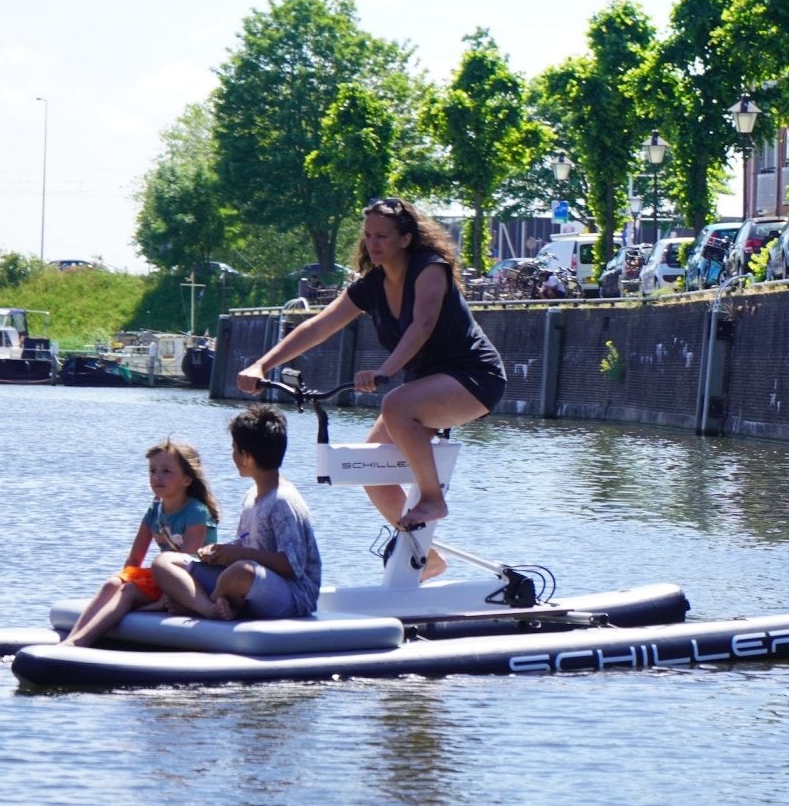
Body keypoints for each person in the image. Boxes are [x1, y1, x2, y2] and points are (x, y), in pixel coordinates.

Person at [236, 197, 506, 535]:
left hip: (474, 377)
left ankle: (433, 499)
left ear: (405, 239)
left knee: (395, 405)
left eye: (382, 236)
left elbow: (422, 324)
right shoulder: (371, 286)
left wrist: (384, 371)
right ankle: (424, 554)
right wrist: (262, 365)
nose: (372, 244)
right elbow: (318, 326)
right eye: (368, 235)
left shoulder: (429, 268)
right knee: (370, 469)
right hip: (426, 385)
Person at [153, 405, 321, 620]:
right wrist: (221, 551)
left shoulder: (283, 501)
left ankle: (201, 606)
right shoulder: (252, 494)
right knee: (165, 562)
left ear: (246, 457)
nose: (232, 455)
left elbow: (291, 564)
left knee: (241, 572)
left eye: (234, 449)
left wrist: (240, 555)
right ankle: (211, 607)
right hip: (248, 580)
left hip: (293, 595)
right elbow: (246, 543)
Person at [60, 441, 220, 647]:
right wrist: (124, 579)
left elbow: (188, 562)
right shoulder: (154, 511)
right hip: (163, 575)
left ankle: (81, 641)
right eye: (153, 471)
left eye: (166, 471)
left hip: (190, 581)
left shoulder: (196, 512)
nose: (157, 477)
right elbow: (135, 559)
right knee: (112, 584)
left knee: (128, 592)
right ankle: (72, 637)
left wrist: (162, 597)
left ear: (186, 479)